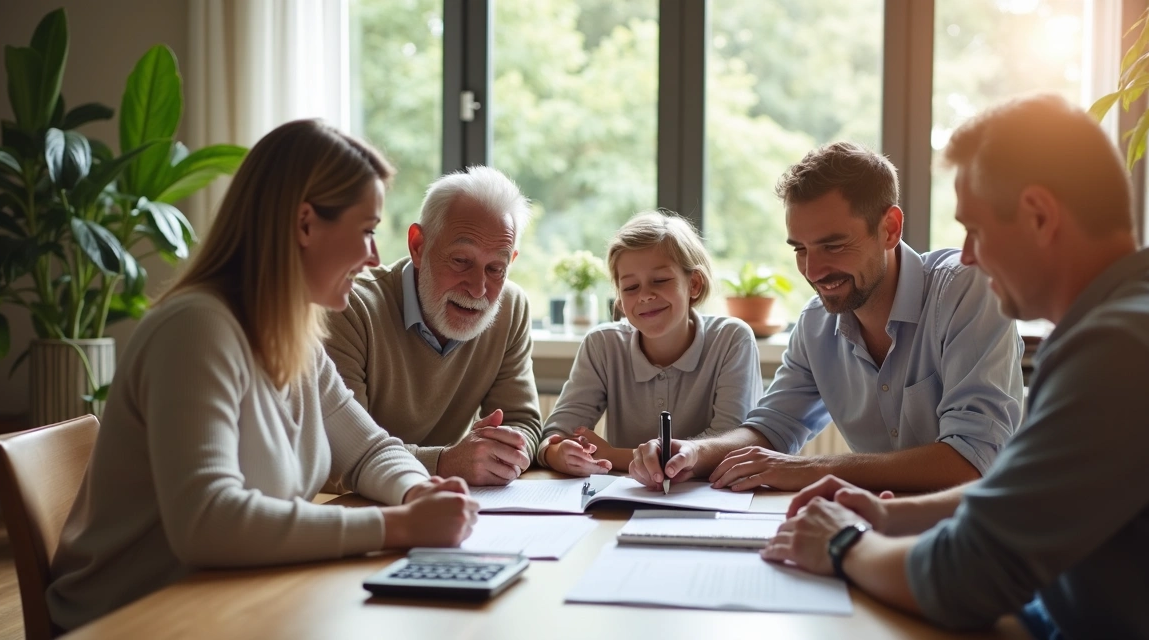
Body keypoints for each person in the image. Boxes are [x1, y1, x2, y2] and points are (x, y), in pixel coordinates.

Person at [761, 94, 1149, 639]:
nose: (967, 254)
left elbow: (965, 578)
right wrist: (890, 517)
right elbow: (1032, 496)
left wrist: (841, 543)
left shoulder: (1126, 349)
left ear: (1039, 216)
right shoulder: (1138, 318)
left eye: (974, 228)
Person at [46, 120, 480, 631]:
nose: (374, 257)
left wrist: (415, 492)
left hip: (234, 601)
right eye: (366, 230)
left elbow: (368, 450)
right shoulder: (197, 328)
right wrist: (395, 525)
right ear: (304, 224)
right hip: (136, 620)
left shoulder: (293, 334)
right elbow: (207, 520)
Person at [630, 142, 1024, 493]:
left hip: (984, 542)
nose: (813, 271)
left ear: (889, 228)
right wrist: (694, 452)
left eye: (833, 245)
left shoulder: (967, 291)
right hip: (884, 527)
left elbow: (971, 462)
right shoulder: (817, 325)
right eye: (800, 249)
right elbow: (771, 428)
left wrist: (807, 470)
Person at [324, 166, 541, 486]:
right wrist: (444, 462)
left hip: (449, 506)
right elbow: (339, 456)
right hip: (359, 510)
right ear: (418, 247)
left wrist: (504, 450)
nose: (478, 289)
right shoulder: (349, 308)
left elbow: (523, 422)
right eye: (461, 261)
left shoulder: (510, 308)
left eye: (496, 267)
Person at [539, 211, 762, 475]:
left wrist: (613, 456)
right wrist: (560, 454)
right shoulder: (602, 345)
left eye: (660, 281)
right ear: (620, 300)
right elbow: (554, 438)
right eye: (631, 287)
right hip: (623, 504)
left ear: (694, 284)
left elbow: (730, 449)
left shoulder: (732, 340)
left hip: (709, 500)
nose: (645, 295)